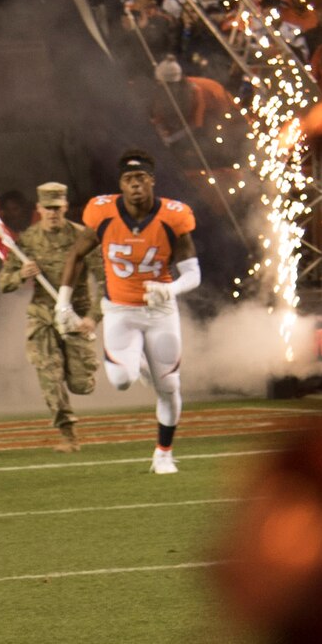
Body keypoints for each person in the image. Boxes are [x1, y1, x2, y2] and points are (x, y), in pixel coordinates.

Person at [58, 150, 201, 473]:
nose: (135, 185)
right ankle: (136, 362)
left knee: (169, 387)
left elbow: (193, 273)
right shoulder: (102, 212)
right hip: (120, 309)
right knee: (122, 380)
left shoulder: (174, 216)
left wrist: (170, 288)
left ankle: (163, 454)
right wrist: (62, 302)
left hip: (160, 312)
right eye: (128, 179)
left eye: (141, 178)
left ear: (152, 181)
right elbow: (76, 256)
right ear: (120, 184)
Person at [0, 182, 103, 451]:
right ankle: (69, 436)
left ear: (65, 207)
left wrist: (93, 317)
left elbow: (104, 281)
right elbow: (3, 283)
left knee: (81, 384)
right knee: (49, 373)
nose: (53, 214)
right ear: (39, 209)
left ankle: (82, 375)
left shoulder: (83, 238)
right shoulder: (28, 241)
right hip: (42, 315)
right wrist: (22, 274)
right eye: (48, 209)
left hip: (75, 315)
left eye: (57, 208)